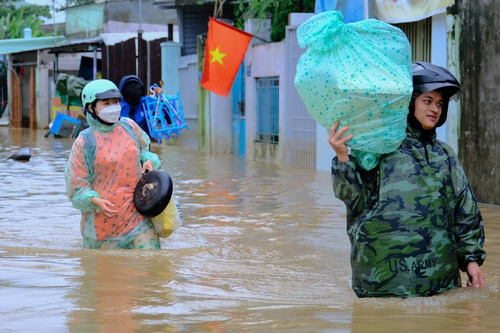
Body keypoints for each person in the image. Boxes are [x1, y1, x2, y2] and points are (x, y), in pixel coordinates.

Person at [328, 61, 486, 298]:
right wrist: (343, 158)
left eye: (440, 104)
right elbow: (354, 200)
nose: (435, 109)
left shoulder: (445, 156)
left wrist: (471, 262)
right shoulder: (379, 149)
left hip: (440, 287)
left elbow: (466, 214)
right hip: (382, 288)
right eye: (427, 101)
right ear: (409, 103)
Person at [65, 79, 162, 249]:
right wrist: (95, 201)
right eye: (106, 103)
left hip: (137, 213)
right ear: (90, 107)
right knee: (108, 273)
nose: (113, 107)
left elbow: (144, 148)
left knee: (151, 261)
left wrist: (148, 160)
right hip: (104, 220)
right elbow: (77, 186)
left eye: (116, 102)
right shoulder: (84, 142)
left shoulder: (129, 127)